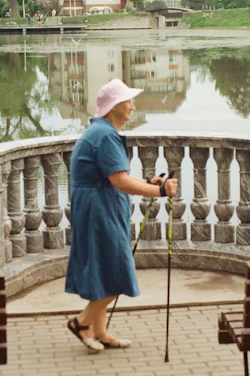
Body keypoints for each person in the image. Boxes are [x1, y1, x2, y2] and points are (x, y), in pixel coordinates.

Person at [65, 79, 178, 354]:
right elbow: (120, 182)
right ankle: (81, 323)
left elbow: (118, 176)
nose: (133, 106)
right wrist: (159, 190)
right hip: (99, 211)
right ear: (115, 106)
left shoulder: (100, 131)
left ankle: (100, 332)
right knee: (115, 273)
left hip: (95, 208)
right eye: (128, 101)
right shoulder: (105, 136)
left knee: (103, 269)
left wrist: (149, 182)